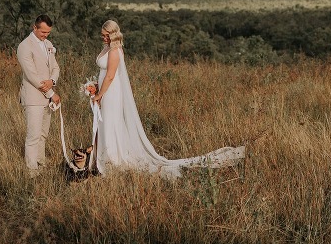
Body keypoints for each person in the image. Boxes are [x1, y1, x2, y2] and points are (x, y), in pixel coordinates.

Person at [90, 20, 245, 178]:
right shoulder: (107, 48)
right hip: (104, 89)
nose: (103, 38)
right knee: (105, 123)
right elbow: (104, 74)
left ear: (113, 34)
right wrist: (94, 86)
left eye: (106, 35)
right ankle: (104, 158)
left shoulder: (115, 51)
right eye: (102, 35)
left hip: (111, 92)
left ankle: (113, 160)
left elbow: (110, 76)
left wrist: (99, 94)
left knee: (111, 122)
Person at [17, 14, 61, 176]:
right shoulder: (24, 46)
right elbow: (32, 75)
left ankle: (41, 164)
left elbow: (55, 67)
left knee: (43, 134)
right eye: (43, 32)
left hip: (47, 97)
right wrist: (51, 92)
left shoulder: (48, 44)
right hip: (33, 97)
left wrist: (52, 81)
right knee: (33, 135)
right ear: (34, 27)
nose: (45, 36)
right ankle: (31, 171)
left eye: (48, 32)